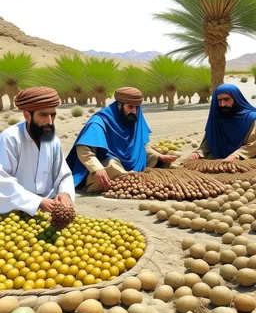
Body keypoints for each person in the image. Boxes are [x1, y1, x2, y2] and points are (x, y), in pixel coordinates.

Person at [67, 87, 177, 192]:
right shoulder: (100, 120)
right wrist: (97, 168)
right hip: (109, 162)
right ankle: (128, 177)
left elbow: (141, 145)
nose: (134, 111)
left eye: (137, 108)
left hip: (132, 162)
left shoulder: (134, 118)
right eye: (130, 107)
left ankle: (131, 176)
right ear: (119, 105)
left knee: (156, 161)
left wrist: (158, 155)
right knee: (111, 165)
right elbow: (83, 148)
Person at [0, 86, 75, 216]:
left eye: (53, 115)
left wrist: (65, 193)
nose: (50, 121)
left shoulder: (53, 140)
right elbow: (2, 180)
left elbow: (63, 175)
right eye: (43, 115)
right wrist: (37, 201)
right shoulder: (10, 138)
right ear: (27, 116)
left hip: (48, 207)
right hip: (14, 208)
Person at [188, 84, 256, 161]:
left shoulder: (252, 118)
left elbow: (254, 144)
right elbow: (211, 140)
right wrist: (198, 153)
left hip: (245, 157)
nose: (223, 104)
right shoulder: (218, 118)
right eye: (219, 100)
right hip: (219, 156)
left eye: (226, 99)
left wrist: (235, 155)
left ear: (236, 99)